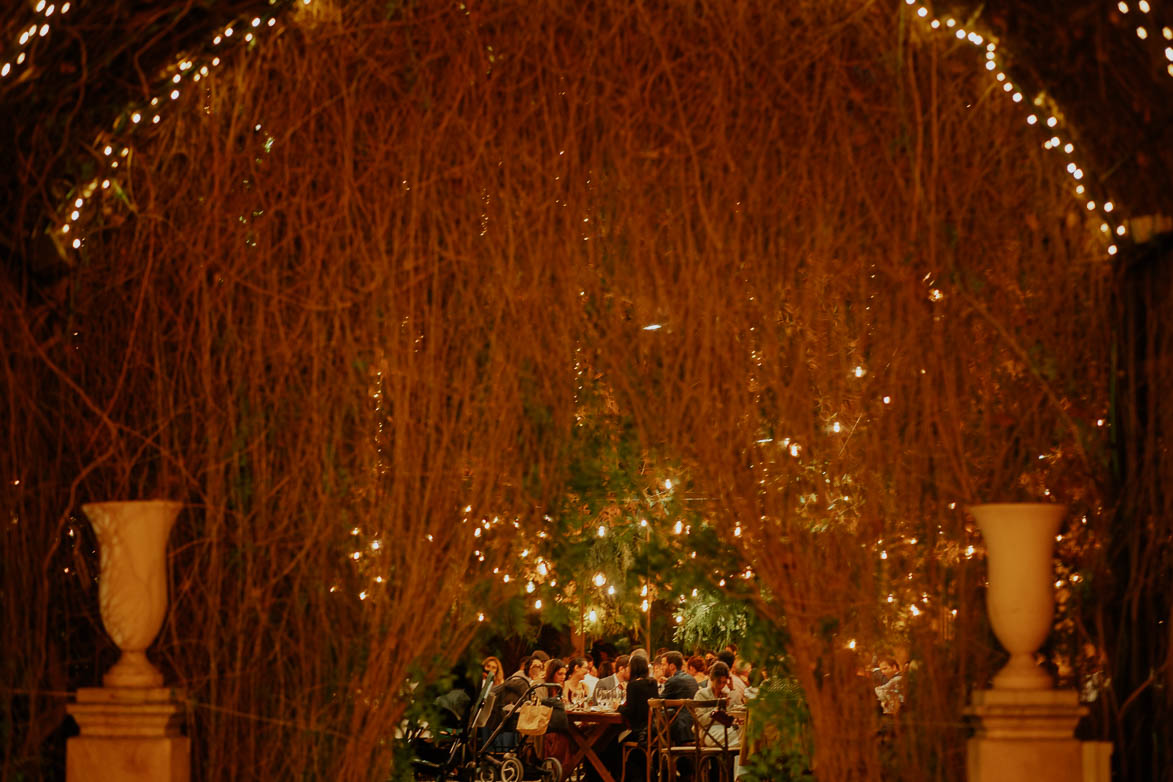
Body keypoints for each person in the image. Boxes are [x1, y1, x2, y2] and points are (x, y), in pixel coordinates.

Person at [695, 661, 741, 748]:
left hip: (726, 729)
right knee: (741, 737)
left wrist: (732, 689)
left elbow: (735, 712)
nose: (721, 686)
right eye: (718, 682)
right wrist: (716, 710)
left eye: (724, 682)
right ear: (711, 679)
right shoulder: (701, 694)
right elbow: (700, 720)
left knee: (744, 732)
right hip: (709, 731)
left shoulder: (726, 694)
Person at [661, 651, 699, 744]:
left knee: (655, 726)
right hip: (695, 725)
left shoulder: (673, 681)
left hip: (681, 727)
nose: (662, 668)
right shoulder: (691, 679)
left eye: (663, 665)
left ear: (672, 666)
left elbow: (659, 702)